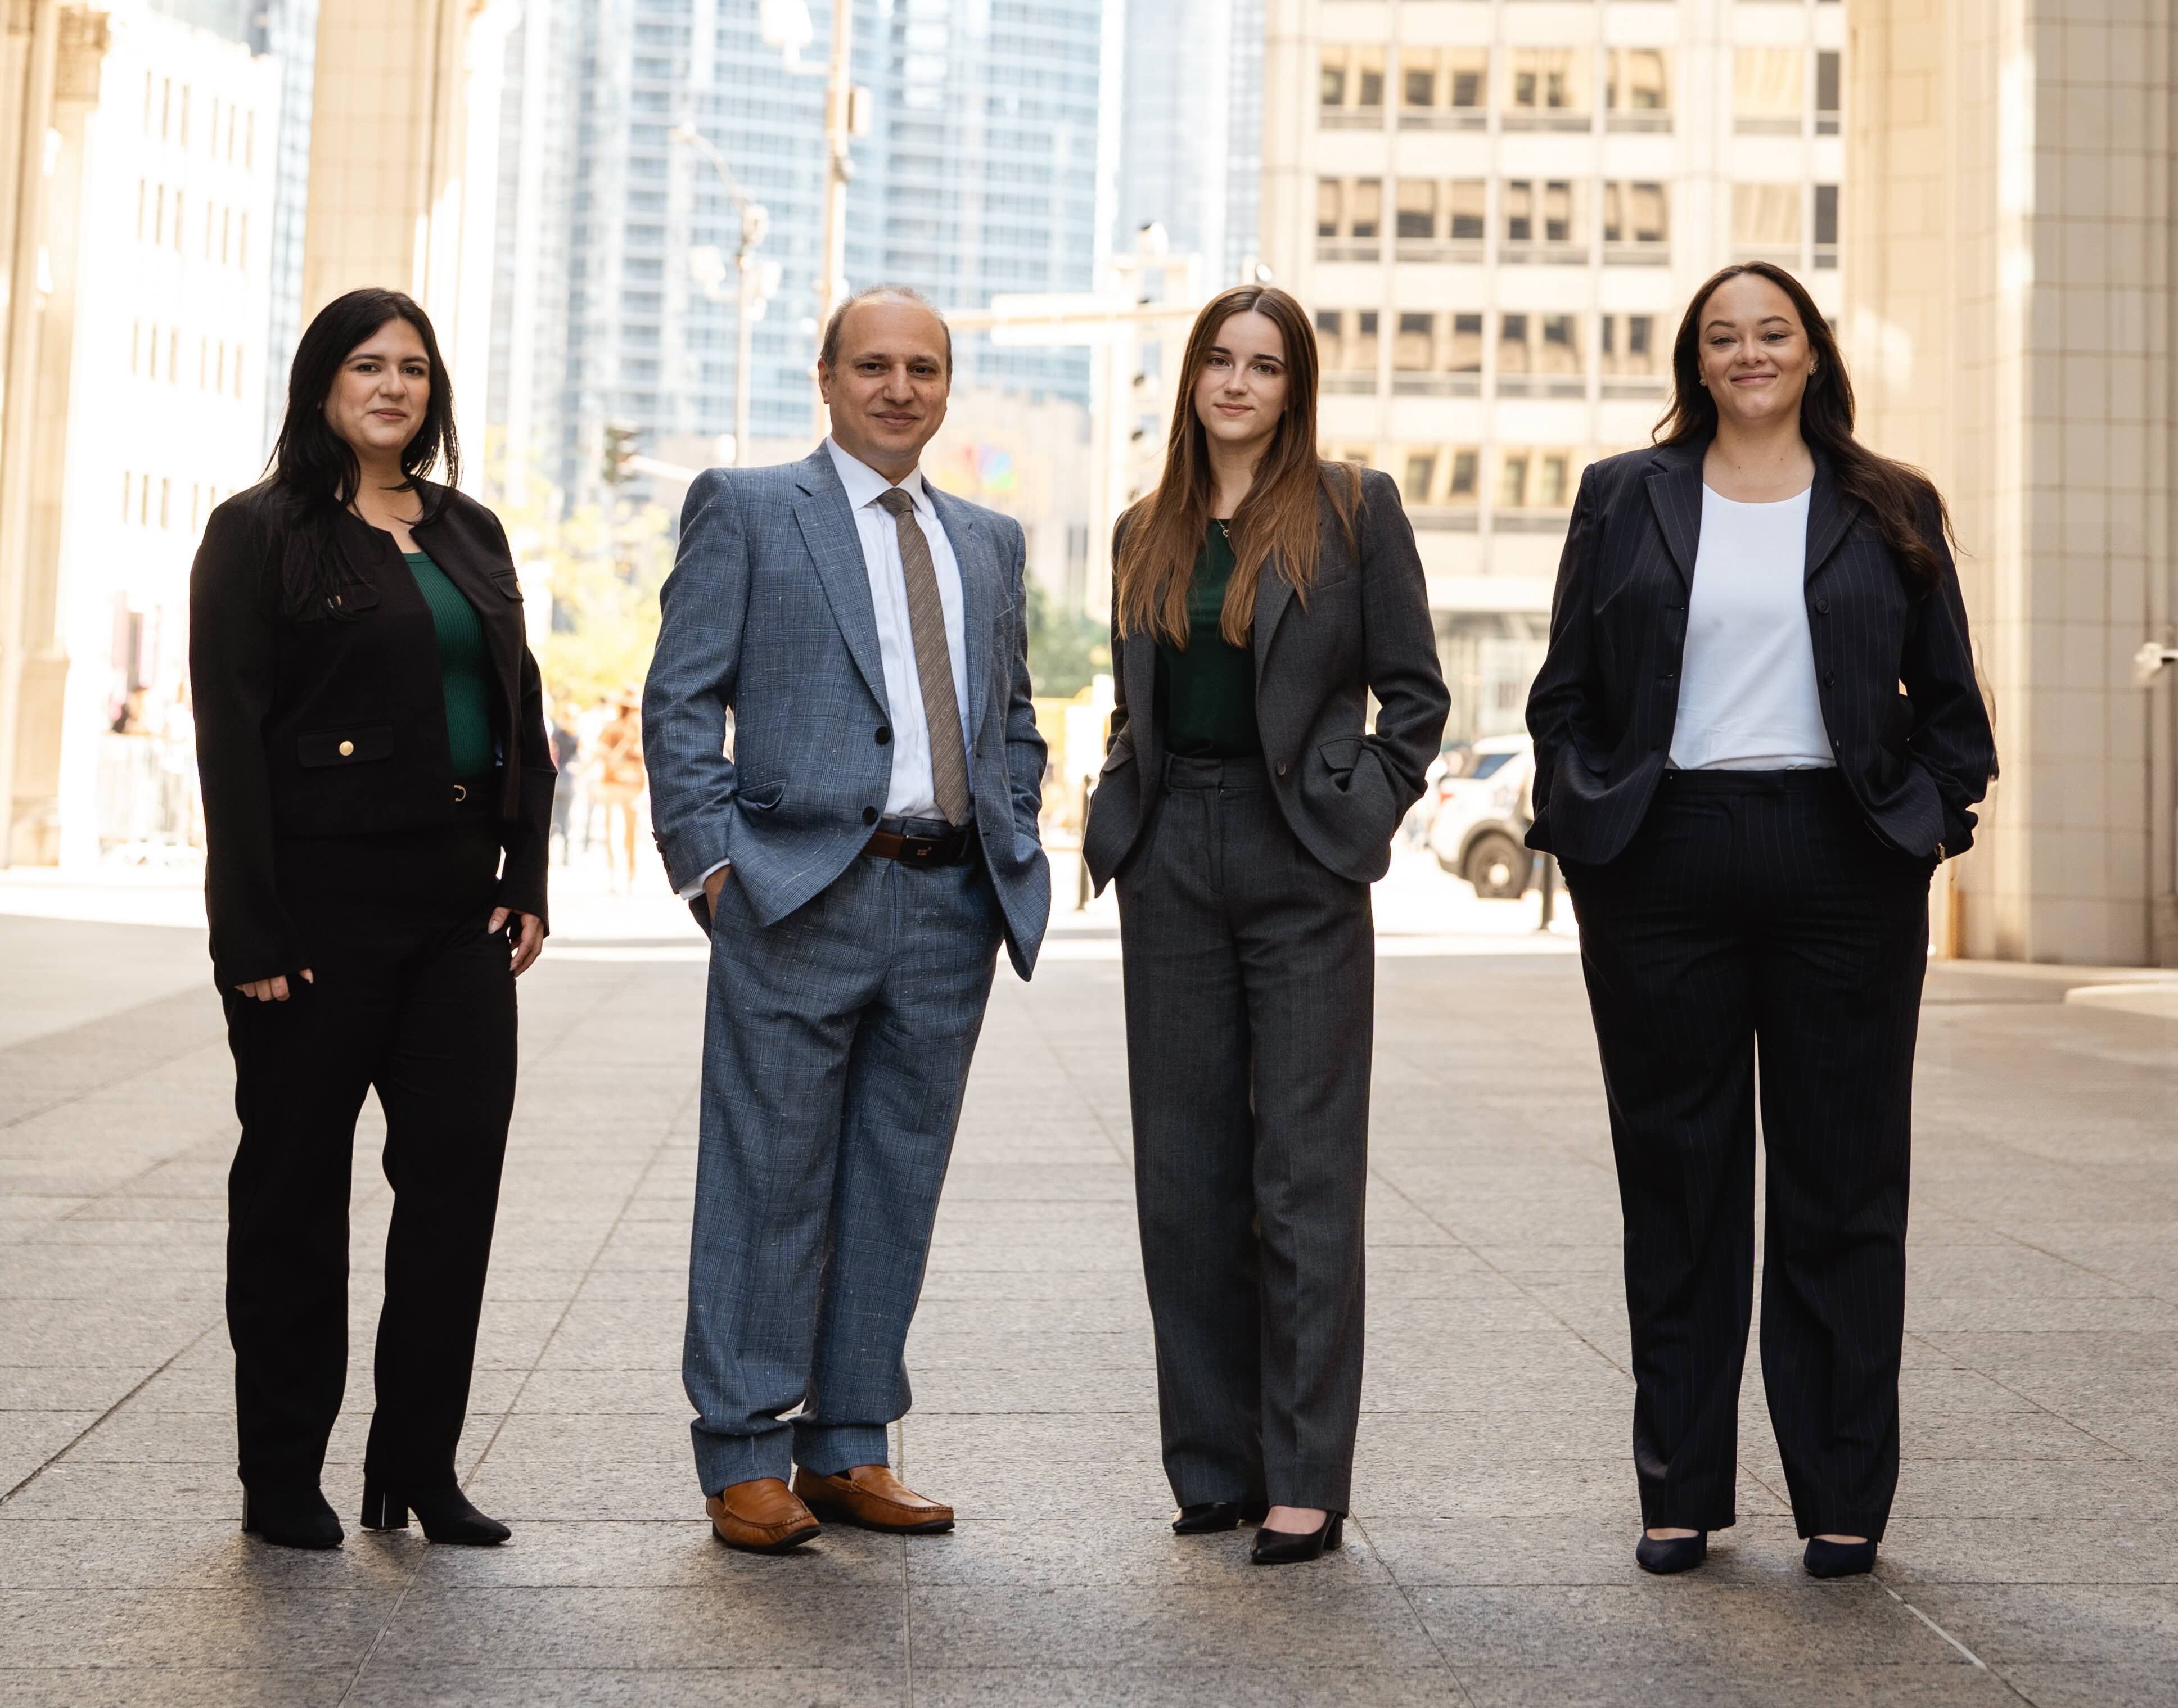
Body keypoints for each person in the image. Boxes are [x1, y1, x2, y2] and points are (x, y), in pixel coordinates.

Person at [1524, 262, 1997, 1580]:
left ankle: (1841, 1497)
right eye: (1722, 336)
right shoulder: (1626, 496)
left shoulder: (1885, 504)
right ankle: (1678, 1491)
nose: (1747, 354)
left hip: (1840, 863)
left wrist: (1923, 830)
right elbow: (1564, 692)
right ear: (1696, 359)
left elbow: (1952, 705)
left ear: (1810, 352)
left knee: (1841, 1188)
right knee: (1676, 1183)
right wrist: (1592, 827)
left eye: (1770, 332)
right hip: (1660, 863)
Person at [643, 285, 1050, 1554]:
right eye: (871, 365)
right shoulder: (752, 508)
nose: (898, 388)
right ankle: (745, 1451)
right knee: (768, 1178)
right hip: (795, 892)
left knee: (894, 1180)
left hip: (946, 902)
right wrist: (715, 868)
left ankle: (850, 1443)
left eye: (922, 369)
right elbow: (679, 704)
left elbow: (1014, 718)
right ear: (825, 378)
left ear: (945, 387)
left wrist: (1011, 836)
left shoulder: (988, 540)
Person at [1081, 285, 1449, 1565]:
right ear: (1190, 378)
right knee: (1183, 1179)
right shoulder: (1145, 529)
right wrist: (1123, 812)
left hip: (1302, 859)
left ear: (1296, 388)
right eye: (1219, 362)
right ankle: (1213, 1465)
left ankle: (1303, 1476)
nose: (1238, 383)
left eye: (1266, 366)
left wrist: (1362, 811)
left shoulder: (1353, 512)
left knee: (1300, 1176)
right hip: (1171, 851)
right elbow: (1139, 703)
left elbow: (1414, 694)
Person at [190, 288, 555, 1551]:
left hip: (459, 911)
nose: (392, 386)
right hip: (318, 915)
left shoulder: (471, 532)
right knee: (294, 1195)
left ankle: (418, 1465)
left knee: (454, 1191)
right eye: (366, 365)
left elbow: (525, 711)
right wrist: (250, 933)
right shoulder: (260, 533)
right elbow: (229, 745)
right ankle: (283, 1473)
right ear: (322, 385)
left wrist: (526, 876)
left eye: (412, 367)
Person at [590, 691, 647, 887]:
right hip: (615, 783)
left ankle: (629, 872)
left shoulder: (639, 730)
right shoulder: (613, 728)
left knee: (629, 830)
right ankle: (617, 871)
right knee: (613, 828)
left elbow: (644, 756)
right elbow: (599, 749)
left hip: (629, 785)